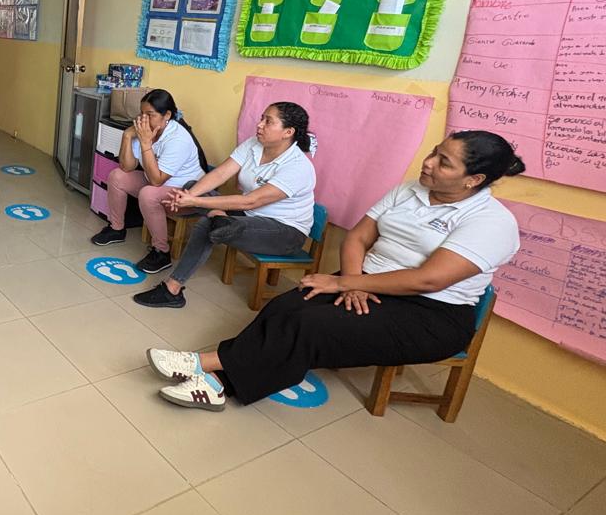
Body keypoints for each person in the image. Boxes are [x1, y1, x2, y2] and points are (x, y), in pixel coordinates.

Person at [146, 131, 524, 411]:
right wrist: (353, 284)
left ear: (473, 180)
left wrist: (346, 282)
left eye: (444, 163)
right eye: (434, 153)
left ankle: (206, 367)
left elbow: (430, 279)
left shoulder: (491, 221)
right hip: (367, 283)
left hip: (429, 313)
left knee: (310, 326)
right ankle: (215, 382)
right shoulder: (409, 190)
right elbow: (357, 237)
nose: (428, 163)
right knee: (286, 305)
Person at [131, 102, 316, 309]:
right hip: (248, 214)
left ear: (288, 132)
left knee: (208, 224)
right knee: (192, 186)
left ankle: (172, 289)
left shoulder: (298, 167)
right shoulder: (254, 144)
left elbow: (251, 200)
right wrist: (188, 195)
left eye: (268, 121)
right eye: (261, 118)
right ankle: (218, 216)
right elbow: (220, 174)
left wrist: (195, 201)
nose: (259, 125)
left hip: (285, 232)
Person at [90, 89, 207, 273]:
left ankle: (161, 253)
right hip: (159, 185)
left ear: (167, 115)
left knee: (148, 193)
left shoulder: (178, 139)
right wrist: (127, 136)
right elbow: (127, 166)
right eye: (141, 113)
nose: (143, 119)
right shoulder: (147, 131)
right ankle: (116, 229)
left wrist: (145, 143)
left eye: (150, 115)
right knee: (116, 176)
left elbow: (156, 181)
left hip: (186, 193)